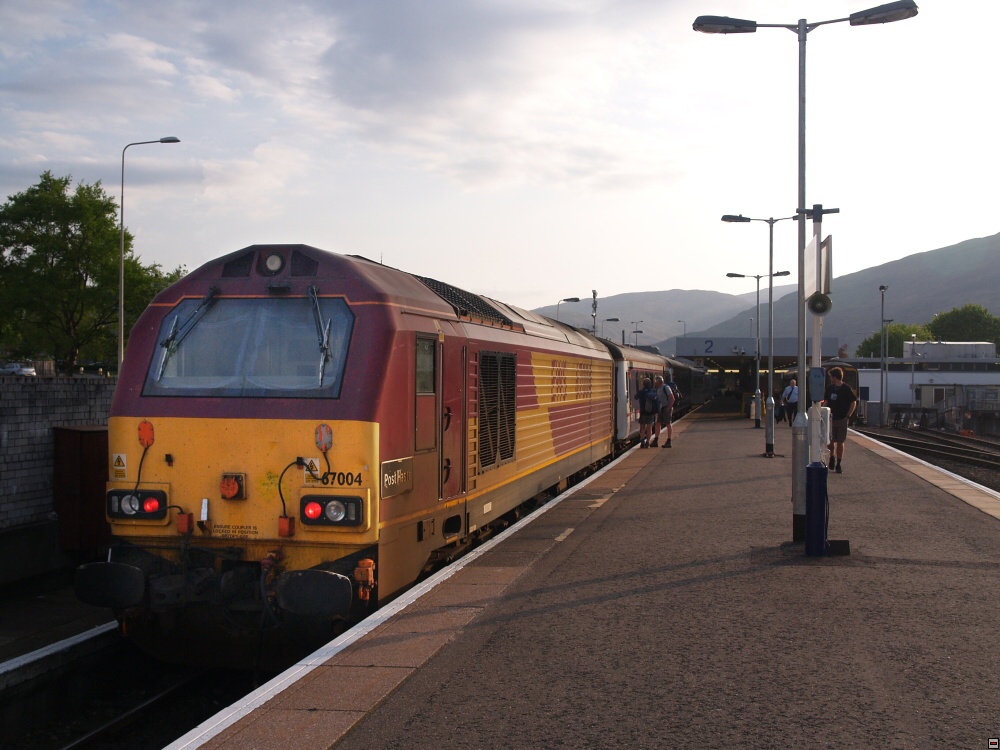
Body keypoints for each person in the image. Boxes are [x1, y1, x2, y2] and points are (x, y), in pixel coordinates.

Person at [823, 366, 857, 474]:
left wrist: (848, 415)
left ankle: (838, 463)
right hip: (831, 418)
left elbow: (853, 402)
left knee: (840, 442)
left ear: (835, 377)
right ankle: (831, 456)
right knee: (830, 442)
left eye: (831, 377)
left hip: (842, 418)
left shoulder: (846, 389)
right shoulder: (830, 388)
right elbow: (826, 402)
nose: (830, 379)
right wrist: (822, 412)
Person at [653, 375, 676, 448]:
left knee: (668, 423)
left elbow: (672, 398)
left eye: (655, 382)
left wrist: (668, 407)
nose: (654, 383)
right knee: (658, 423)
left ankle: (669, 440)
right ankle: (656, 440)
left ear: (658, 382)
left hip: (666, 407)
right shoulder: (658, 388)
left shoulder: (666, 388)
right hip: (661, 408)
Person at [636, 377, 659, 448]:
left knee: (642, 427)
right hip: (651, 413)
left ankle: (642, 441)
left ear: (643, 384)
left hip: (643, 412)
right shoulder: (653, 391)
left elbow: (635, 397)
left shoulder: (641, 392)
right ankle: (648, 442)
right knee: (649, 428)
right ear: (650, 384)